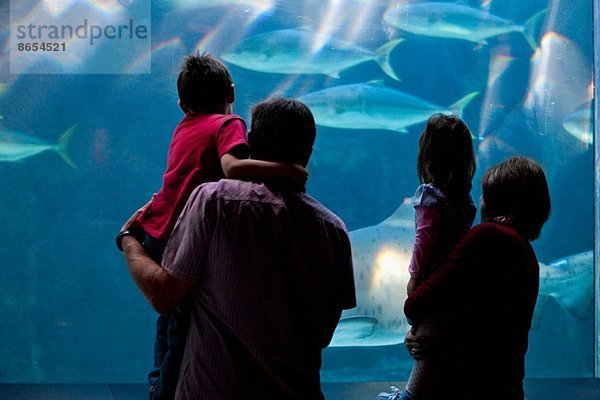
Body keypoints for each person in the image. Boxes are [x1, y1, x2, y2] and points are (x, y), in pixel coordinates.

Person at [119, 98, 356, 399]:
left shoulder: (214, 201)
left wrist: (130, 242)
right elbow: (323, 333)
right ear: (308, 154)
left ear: (250, 143)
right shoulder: (332, 230)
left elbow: (164, 295)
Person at [116, 53, 306, 400]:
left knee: (167, 327)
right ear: (230, 91)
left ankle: (158, 386)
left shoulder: (183, 126)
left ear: (181, 103)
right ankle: (169, 390)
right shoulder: (226, 124)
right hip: (181, 231)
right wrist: (286, 169)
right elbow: (232, 167)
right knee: (181, 326)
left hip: (156, 228)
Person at [402, 156, 551, 400]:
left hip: (465, 387)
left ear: (498, 201)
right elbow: (478, 322)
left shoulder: (487, 236)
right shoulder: (526, 253)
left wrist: (419, 331)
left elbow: (418, 302)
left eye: (485, 194)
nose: (478, 202)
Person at [378, 114, 477, 400]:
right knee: (444, 340)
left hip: (434, 277)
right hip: (460, 279)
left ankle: (411, 394)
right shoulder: (465, 201)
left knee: (425, 340)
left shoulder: (428, 196)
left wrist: (415, 276)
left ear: (427, 154)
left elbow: (424, 239)